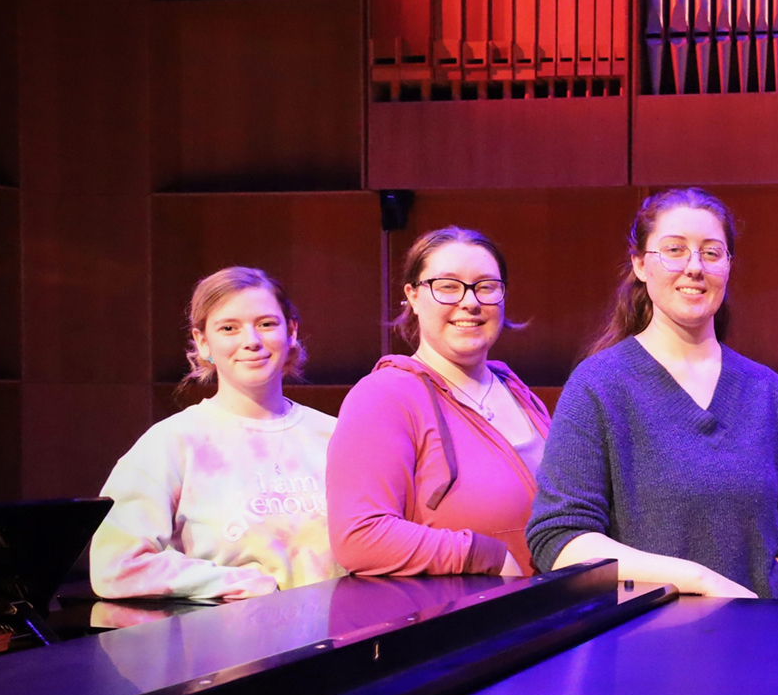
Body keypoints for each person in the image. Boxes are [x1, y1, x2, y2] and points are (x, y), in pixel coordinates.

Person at [526, 188, 778, 598]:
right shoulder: (598, 387)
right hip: (649, 633)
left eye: (711, 253)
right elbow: (560, 539)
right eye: (674, 250)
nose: (694, 267)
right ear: (640, 265)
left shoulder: (770, 394)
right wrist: (698, 579)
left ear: (728, 266)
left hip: (761, 633)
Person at [91, 267, 338, 600]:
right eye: (229, 328)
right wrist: (244, 584)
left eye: (266, 324)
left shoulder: (335, 435)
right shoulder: (171, 443)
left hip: (341, 630)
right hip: (232, 632)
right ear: (203, 342)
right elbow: (116, 565)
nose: (251, 341)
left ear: (291, 331)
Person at [328, 227, 549, 576]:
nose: (470, 302)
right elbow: (359, 534)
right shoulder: (384, 396)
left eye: (486, 286)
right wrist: (483, 555)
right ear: (413, 296)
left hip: (548, 604)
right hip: (465, 608)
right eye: (447, 286)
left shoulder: (516, 389)